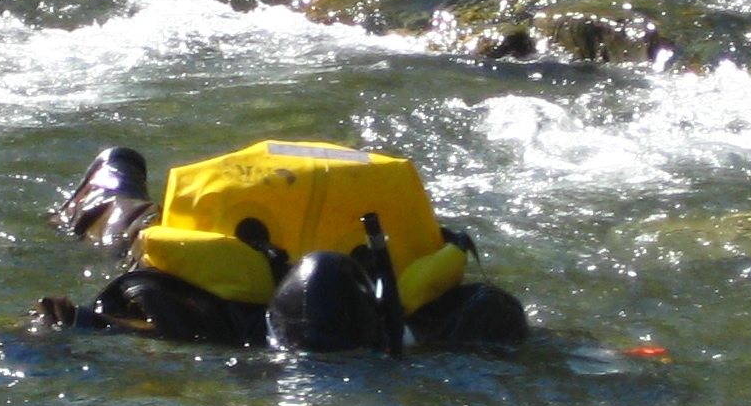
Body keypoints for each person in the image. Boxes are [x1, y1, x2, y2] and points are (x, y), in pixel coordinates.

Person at [39, 139, 529, 351]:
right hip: (260, 224)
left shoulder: (423, 322)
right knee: (136, 231)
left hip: (339, 223)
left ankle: (115, 177)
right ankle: (104, 188)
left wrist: (63, 326)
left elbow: (96, 323)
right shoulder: (220, 317)